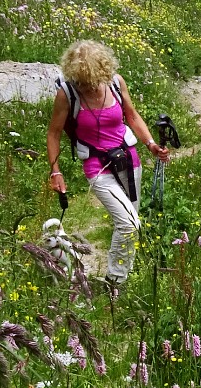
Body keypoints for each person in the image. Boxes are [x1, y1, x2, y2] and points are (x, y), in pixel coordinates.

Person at [47, 40, 169, 285]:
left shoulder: (115, 83)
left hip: (129, 159)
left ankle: (121, 276)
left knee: (129, 225)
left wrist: (152, 145)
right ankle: (115, 281)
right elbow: (54, 133)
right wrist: (55, 171)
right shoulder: (68, 93)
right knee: (128, 223)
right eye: (82, 81)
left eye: (91, 80)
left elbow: (132, 116)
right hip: (97, 166)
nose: (88, 87)